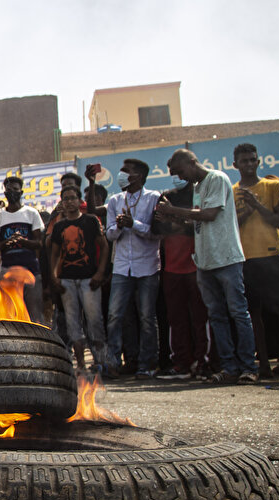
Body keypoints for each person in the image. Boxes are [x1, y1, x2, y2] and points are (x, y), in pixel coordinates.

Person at [157, 149, 256, 383]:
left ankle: (248, 367)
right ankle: (229, 367)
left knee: (238, 313)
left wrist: (173, 210)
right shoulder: (199, 187)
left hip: (226, 258)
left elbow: (210, 214)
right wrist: (174, 219)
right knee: (217, 316)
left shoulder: (217, 179)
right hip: (205, 260)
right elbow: (198, 220)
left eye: (180, 172)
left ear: (192, 162)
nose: (180, 177)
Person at [232, 143, 279, 380]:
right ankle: (263, 365)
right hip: (246, 259)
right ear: (236, 165)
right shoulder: (232, 191)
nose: (250, 164)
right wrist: (246, 210)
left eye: (253, 160)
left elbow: (278, 221)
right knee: (254, 314)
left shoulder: (273, 186)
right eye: (245, 161)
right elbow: (232, 225)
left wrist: (255, 205)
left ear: (259, 162)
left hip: (272, 255)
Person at [103, 158, 161, 380]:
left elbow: (157, 233)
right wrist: (118, 226)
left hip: (147, 266)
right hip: (121, 266)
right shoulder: (115, 200)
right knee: (115, 316)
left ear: (140, 177)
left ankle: (147, 364)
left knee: (147, 317)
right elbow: (109, 234)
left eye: (127, 171)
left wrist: (133, 224)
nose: (122, 175)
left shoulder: (153, 198)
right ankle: (115, 362)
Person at [47, 186, 108, 372]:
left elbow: (104, 247)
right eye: (66, 199)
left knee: (94, 321)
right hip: (67, 281)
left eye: (73, 198)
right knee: (73, 324)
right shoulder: (59, 226)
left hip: (89, 279)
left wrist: (100, 273)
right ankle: (80, 364)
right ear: (62, 203)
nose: (70, 202)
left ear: (79, 200)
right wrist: (54, 277)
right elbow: (55, 253)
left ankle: (100, 362)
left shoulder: (90, 221)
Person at [155, 175, 211, 379]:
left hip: (196, 265)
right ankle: (181, 364)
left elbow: (200, 226)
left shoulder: (200, 196)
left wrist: (173, 220)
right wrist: (180, 222)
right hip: (171, 267)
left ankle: (203, 362)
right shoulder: (165, 197)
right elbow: (156, 227)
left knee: (200, 317)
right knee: (175, 319)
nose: (176, 176)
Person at [0, 175, 45, 322]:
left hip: (31, 271)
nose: (11, 192)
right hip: (8, 272)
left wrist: (23, 242)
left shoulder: (31, 213)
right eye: (8, 189)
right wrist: (7, 242)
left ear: (21, 192)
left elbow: (39, 243)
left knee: (34, 316)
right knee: (11, 315)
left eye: (15, 189)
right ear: (5, 193)